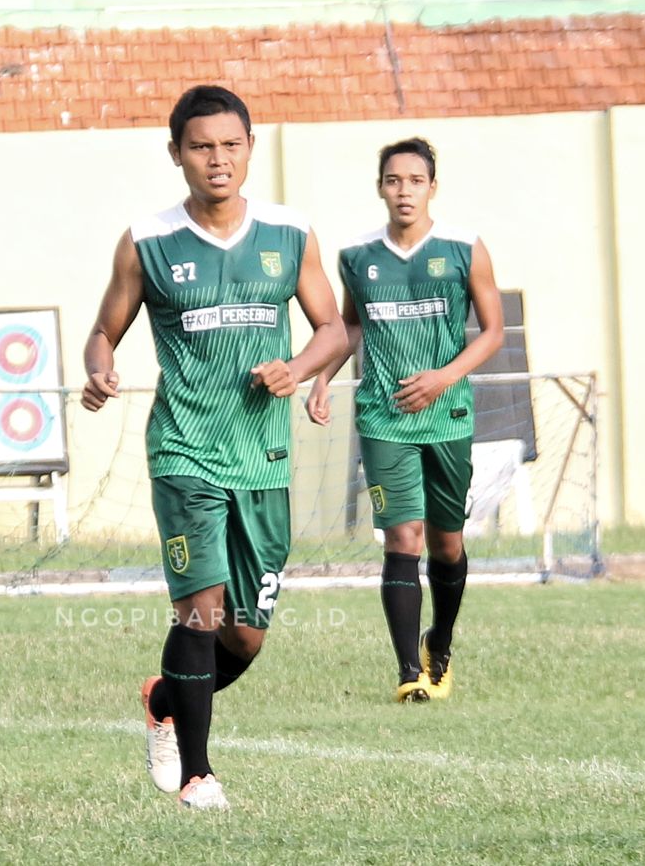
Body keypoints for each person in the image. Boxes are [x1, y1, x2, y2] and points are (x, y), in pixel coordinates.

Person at [82, 85, 345, 811]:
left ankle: (164, 700)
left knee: (246, 638)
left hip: (263, 456)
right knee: (199, 610)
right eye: (201, 146)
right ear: (177, 154)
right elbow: (105, 329)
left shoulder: (291, 234)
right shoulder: (147, 240)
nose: (217, 159)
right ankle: (199, 774)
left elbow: (334, 329)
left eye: (231, 145)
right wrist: (99, 367)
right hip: (184, 451)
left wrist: (296, 369)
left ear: (251, 149)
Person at [306, 137, 503, 703]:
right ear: (380, 188)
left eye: (415, 181)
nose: (404, 191)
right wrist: (321, 379)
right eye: (394, 181)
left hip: (449, 417)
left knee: (446, 544)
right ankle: (406, 673)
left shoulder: (466, 248)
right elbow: (349, 328)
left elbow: (491, 332)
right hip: (384, 418)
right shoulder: (357, 256)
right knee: (402, 537)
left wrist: (443, 377)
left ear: (432, 187)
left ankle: (438, 641)